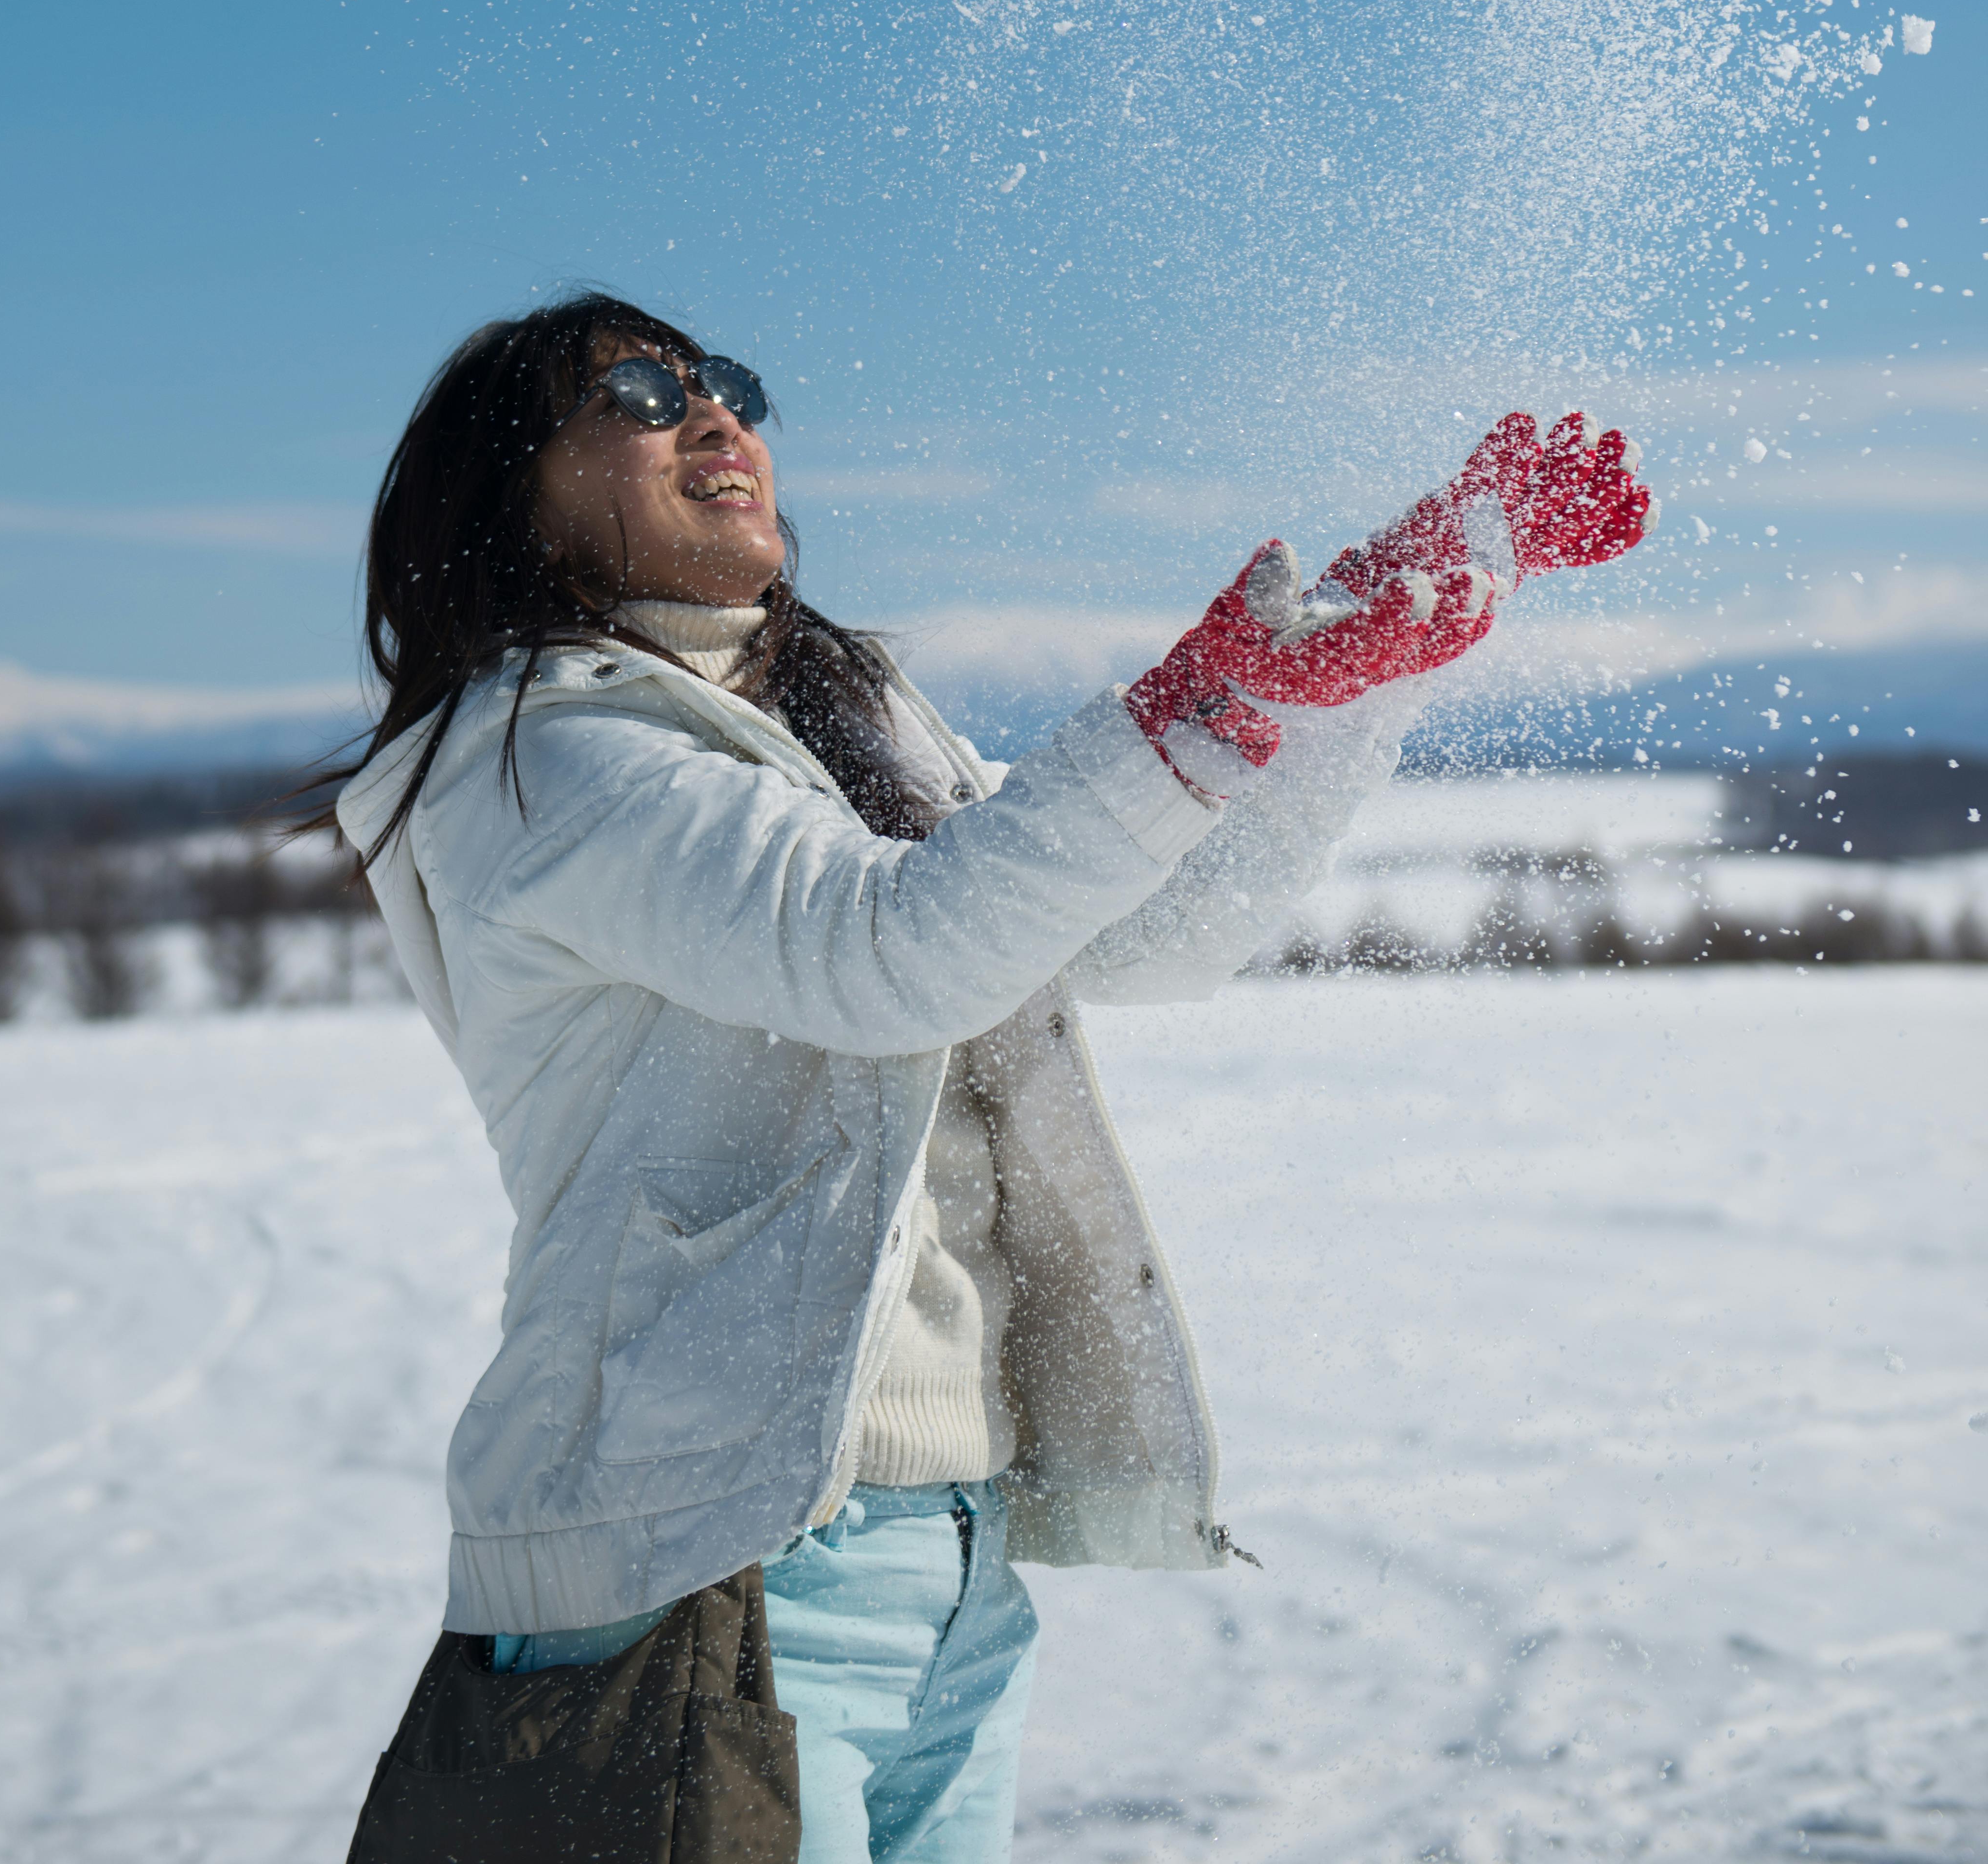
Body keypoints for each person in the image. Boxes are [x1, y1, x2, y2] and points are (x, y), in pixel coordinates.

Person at [334, 292, 1649, 1863]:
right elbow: (891, 955)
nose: (716, 419)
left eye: (729, 386)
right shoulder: (545, 755)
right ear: (506, 490)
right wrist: (1199, 710)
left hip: (948, 1556)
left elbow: (1156, 925)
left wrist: (1358, 656)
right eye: (632, 392)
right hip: (697, 1576)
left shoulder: (840, 712)